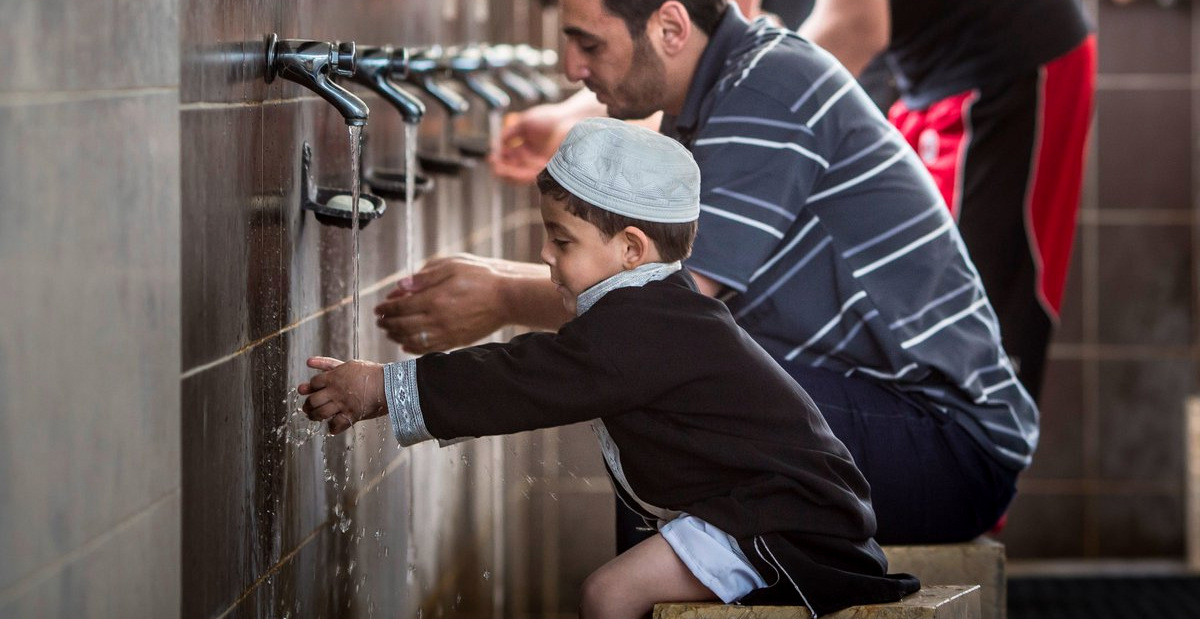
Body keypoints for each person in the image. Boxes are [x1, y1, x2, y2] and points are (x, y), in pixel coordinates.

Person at [376, 0, 1037, 547]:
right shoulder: (733, 86)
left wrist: (499, 296)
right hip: (897, 416)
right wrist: (496, 282)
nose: (573, 68)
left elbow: (659, 317)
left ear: (670, 28)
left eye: (587, 44)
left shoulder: (768, 89)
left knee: (656, 383)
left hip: (949, 445)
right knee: (657, 377)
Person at [302, 118, 920, 616]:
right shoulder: (658, 310)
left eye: (561, 239)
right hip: (783, 513)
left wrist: (384, 386)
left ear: (630, 248)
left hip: (789, 525)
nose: (543, 253)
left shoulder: (647, 322)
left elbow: (525, 377)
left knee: (609, 594)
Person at [796, 0, 1097, 402]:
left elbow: (855, 24)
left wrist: (756, 109)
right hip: (925, 76)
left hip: (1005, 68)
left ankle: (986, 448)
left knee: (969, 331)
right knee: (911, 311)